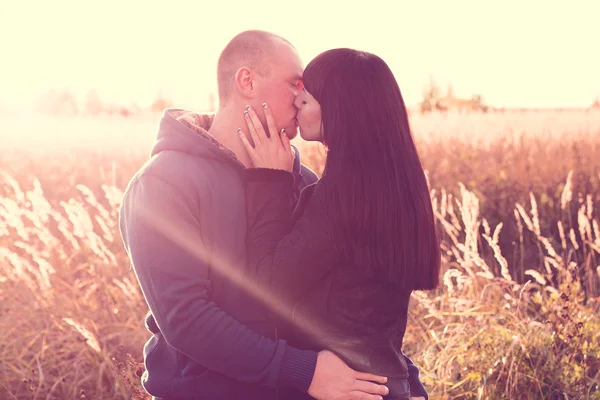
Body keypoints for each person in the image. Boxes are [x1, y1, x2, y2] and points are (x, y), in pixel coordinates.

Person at [119, 30, 427, 400]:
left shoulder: (305, 182)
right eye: (295, 83)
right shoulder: (163, 183)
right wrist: (305, 371)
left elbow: (355, 307)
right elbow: (187, 319)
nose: (302, 96)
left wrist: (404, 379)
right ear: (247, 81)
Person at [238, 48, 441, 400]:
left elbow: (266, 285)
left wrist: (269, 181)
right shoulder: (398, 188)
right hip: (385, 384)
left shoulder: (341, 196)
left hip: (345, 388)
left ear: (340, 107)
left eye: (308, 93)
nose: (297, 99)